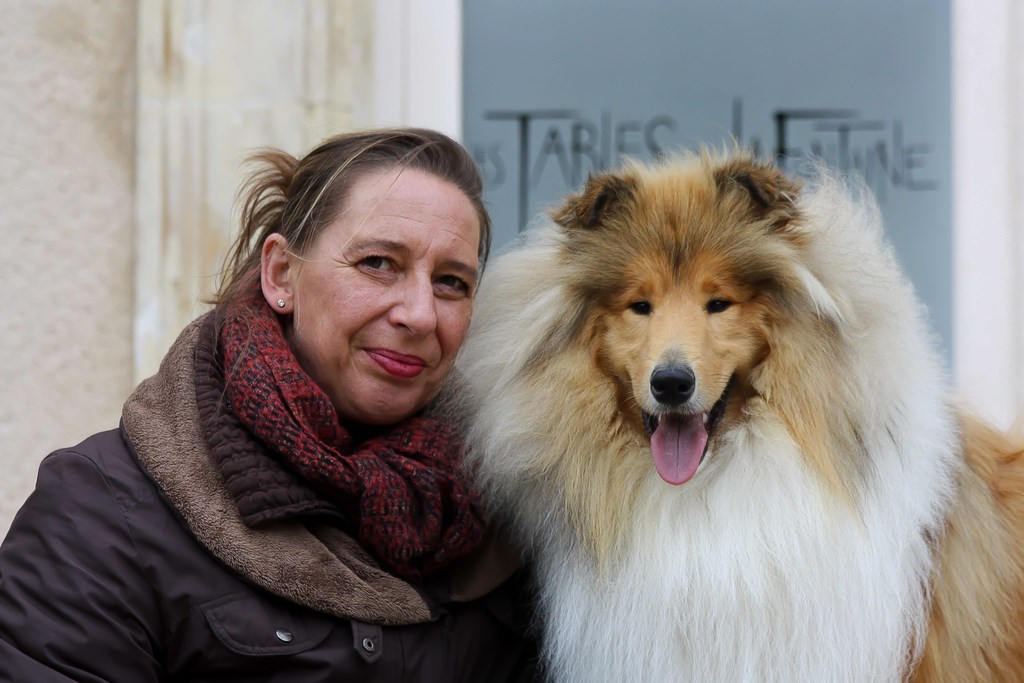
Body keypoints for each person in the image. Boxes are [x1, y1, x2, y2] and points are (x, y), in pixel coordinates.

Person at [0, 128, 537, 682]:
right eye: (378, 263)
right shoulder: (106, 511)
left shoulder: (516, 516)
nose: (421, 314)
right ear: (281, 273)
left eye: (452, 282)